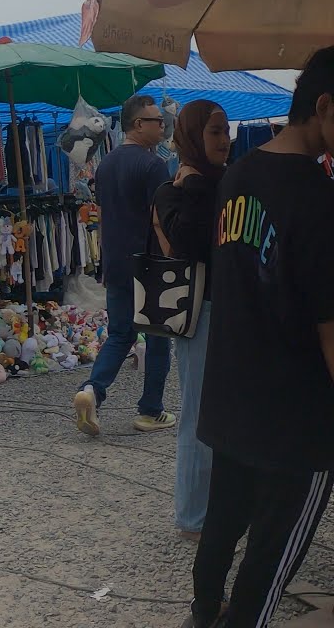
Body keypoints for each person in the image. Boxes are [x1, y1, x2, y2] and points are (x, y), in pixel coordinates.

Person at [183, 47, 334, 628]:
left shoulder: (238, 175)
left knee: (223, 519)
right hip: (298, 417)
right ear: (322, 106)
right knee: (273, 551)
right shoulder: (318, 199)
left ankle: (203, 615)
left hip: (233, 391)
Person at [73, 94, 175, 436]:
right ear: (137, 124)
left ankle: (92, 390)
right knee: (159, 338)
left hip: (116, 262)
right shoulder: (153, 166)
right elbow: (160, 221)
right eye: (156, 120)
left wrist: (103, 263)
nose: (162, 126)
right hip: (149, 264)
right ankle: (150, 411)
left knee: (119, 334)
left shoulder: (107, 165)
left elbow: (104, 217)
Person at [153, 100, 230, 540]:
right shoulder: (173, 191)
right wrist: (198, 184)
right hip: (199, 313)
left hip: (239, 311)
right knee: (199, 413)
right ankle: (193, 517)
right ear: (192, 136)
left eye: (225, 132)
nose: (224, 141)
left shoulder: (230, 183)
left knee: (235, 411)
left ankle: (228, 504)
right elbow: (193, 241)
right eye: (214, 132)